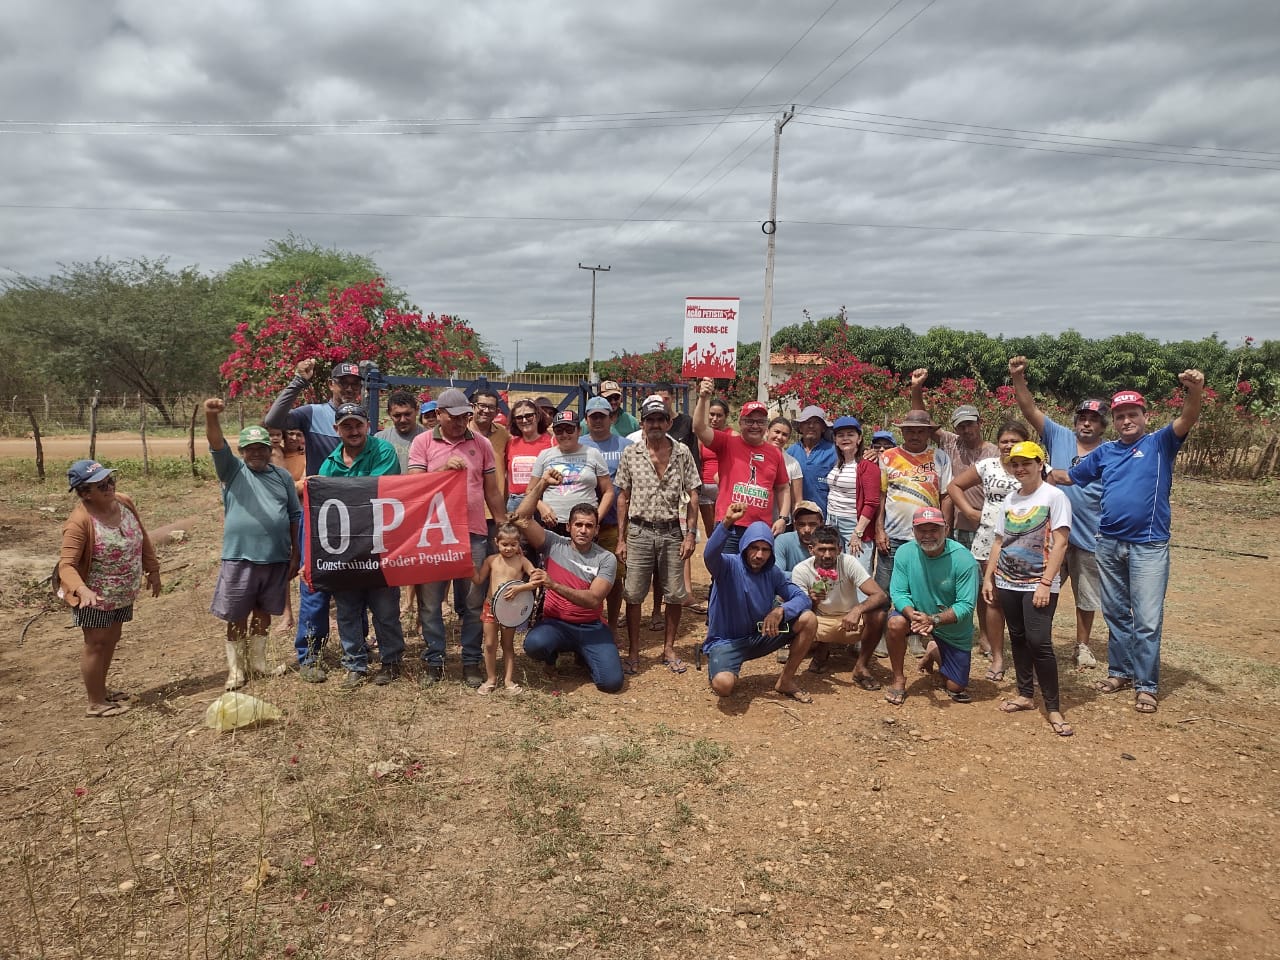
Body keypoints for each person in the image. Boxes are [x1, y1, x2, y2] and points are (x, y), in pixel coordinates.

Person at [1053, 372, 1206, 715]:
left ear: (1144, 416)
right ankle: (1120, 672)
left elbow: (1188, 416)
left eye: (1132, 414)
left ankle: (1147, 685)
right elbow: (1069, 477)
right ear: (1115, 421)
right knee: (1117, 614)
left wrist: (1194, 390)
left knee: (1147, 619)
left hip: (1148, 546)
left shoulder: (1159, 443)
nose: (1126, 420)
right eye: (1120, 416)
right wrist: (1031, 469)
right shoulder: (1105, 452)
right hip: (1108, 544)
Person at [263, 359, 364, 671]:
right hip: (318, 512)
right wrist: (298, 382)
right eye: (342, 382)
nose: (348, 388)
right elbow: (273, 419)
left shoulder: (362, 418)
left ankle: (357, 650)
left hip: (356, 516)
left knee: (357, 580)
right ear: (331, 385)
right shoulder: (312, 413)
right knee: (313, 582)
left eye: (354, 384)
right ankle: (309, 655)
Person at [1009, 355, 1108, 668]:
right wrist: (1019, 377)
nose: (1086, 422)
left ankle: (1082, 646)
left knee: (1087, 595)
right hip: (1050, 533)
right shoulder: (1059, 435)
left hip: (1091, 533)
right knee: (1044, 585)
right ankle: (1040, 639)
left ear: (1104, 425)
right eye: (1082, 417)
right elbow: (1029, 409)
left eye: (1094, 419)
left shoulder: (1110, 452)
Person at [408, 387, 507, 687]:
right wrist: (441, 469)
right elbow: (412, 485)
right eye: (453, 418)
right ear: (438, 415)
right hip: (435, 536)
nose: (460, 423)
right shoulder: (422, 442)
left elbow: (491, 489)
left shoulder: (482, 444)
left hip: (473, 533)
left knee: (474, 603)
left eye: (465, 417)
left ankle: (470, 661)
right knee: (430, 602)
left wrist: (501, 524)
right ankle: (434, 659)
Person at [205, 402, 301, 690]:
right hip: (240, 558)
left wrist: (295, 553)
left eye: (262, 447)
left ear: (270, 449)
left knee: (263, 612)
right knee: (237, 614)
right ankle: (236, 671)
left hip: (275, 558)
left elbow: (294, 515)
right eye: (251, 448)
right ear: (242, 452)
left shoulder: (282, 476)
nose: (257, 453)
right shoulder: (233, 471)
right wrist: (211, 416)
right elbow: (215, 442)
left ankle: (258, 664)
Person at [58, 460, 162, 717]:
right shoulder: (80, 522)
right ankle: (95, 703)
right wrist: (82, 590)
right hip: (95, 596)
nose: (109, 488)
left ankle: (101, 690)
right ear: (85, 493)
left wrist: (153, 568)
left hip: (123, 592)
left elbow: (142, 536)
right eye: (101, 485)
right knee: (96, 644)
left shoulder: (124, 502)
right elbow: (66, 566)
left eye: (110, 481)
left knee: (112, 639)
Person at [984, 442, 1073, 736]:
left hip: (1038, 582)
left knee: (1040, 641)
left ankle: (1053, 707)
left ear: (1040, 464)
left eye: (1026, 463)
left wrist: (1046, 582)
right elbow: (999, 541)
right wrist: (989, 578)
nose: (1020, 469)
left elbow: (1060, 542)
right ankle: (1024, 694)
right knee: (1018, 637)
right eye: (1015, 464)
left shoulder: (1054, 497)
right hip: (1007, 580)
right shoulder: (1010, 499)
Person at [317, 403, 404, 689]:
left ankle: (391, 661)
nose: (353, 431)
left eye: (358, 425)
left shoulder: (383, 451)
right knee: (347, 610)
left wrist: (336, 487)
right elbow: (323, 503)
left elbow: (376, 488)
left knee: (385, 609)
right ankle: (355, 663)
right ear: (336, 429)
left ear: (368, 425)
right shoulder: (329, 463)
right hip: (344, 550)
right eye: (346, 426)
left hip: (381, 545)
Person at [514, 470, 624, 693]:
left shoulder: (606, 558)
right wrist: (543, 483)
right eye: (578, 525)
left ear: (596, 530)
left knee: (611, 684)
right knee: (534, 645)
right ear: (568, 527)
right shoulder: (554, 543)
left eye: (589, 526)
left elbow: (594, 600)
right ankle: (554, 654)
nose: (583, 530)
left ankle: (583, 653)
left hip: (591, 626)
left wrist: (553, 585)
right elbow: (521, 519)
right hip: (556, 624)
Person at [614, 396, 701, 675]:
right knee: (634, 593)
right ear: (642, 423)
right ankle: (634, 652)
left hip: (672, 532)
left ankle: (669, 649)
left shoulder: (682, 452)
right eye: (649, 420)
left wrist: (690, 535)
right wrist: (621, 538)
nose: (654, 424)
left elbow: (693, 494)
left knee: (675, 593)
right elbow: (622, 497)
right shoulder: (631, 453)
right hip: (639, 531)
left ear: (669, 422)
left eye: (659, 419)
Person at [702, 502, 818, 703]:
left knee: (809, 619)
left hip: (763, 634)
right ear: (745, 547)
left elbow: (802, 598)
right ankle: (721, 664)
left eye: (765, 549)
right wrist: (727, 522)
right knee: (724, 686)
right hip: (727, 642)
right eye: (754, 548)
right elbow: (709, 555)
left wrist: (781, 611)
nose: (759, 555)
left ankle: (786, 681)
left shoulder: (772, 572)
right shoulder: (727, 566)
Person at [946, 420, 1030, 680]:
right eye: (1004, 440)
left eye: (1014, 441)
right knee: (991, 598)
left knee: (1021, 603)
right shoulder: (988, 466)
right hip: (987, 541)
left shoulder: (1033, 467)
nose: (1008, 445)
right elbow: (954, 487)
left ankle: (1025, 659)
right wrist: (970, 511)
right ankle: (997, 657)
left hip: (1025, 544)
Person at [874, 408, 953, 656]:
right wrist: (879, 529)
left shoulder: (939, 457)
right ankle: (880, 636)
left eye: (921, 431)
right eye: (910, 431)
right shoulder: (887, 456)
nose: (915, 435)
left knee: (923, 589)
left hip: (927, 536)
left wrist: (945, 529)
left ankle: (918, 636)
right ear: (903, 432)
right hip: (894, 534)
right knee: (885, 588)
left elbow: (946, 496)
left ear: (929, 432)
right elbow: (882, 495)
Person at [884, 507, 980, 706]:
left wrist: (934, 620)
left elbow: (966, 605)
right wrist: (913, 616)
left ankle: (933, 650)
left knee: (955, 687)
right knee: (895, 623)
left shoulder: (964, 559)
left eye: (934, 530)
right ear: (913, 531)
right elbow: (899, 593)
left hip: (951, 628)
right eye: (922, 530)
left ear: (945, 529)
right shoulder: (904, 552)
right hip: (917, 617)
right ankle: (898, 679)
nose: (928, 536)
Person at [693, 378, 788, 554]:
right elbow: (699, 428)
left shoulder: (775, 453)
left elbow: (783, 488)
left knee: (754, 578)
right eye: (749, 421)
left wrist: (782, 518)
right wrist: (704, 397)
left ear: (766, 426)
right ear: (741, 422)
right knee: (724, 573)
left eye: (760, 422)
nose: (754, 426)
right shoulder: (727, 442)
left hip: (759, 530)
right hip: (729, 524)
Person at [791, 525, 888, 684]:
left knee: (878, 614)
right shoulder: (801, 570)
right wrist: (812, 600)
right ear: (811, 549)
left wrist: (858, 609)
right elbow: (797, 609)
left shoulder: (848, 562)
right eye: (822, 549)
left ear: (840, 549)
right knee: (801, 618)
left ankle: (861, 666)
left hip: (849, 621)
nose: (827, 555)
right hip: (819, 622)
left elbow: (880, 595)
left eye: (831, 549)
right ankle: (821, 649)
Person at [580, 396, 633, 628]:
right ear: (586, 419)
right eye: (594, 417)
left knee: (614, 577)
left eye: (603, 416)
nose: (598, 421)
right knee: (582, 576)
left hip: (614, 522)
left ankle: (611, 626)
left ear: (611, 418)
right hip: (582, 524)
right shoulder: (578, 444)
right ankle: (587, 623)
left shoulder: (626, 446)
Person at [472, 523, 536, 695]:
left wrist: (520, 588)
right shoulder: (491, 560)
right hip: (490, 607)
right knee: (490, 644)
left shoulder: (522, 561)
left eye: (513, 545)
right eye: (504, 544)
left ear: (519, 544)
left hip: (510, 610)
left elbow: (536, 579)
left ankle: (508, 680)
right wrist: (469, 568)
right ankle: (491, 679)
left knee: (507, 644)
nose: (509, 548)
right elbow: (478, 580)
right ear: (496, 542)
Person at [530, 410, 614, 534]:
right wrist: (542, 507)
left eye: (569, 429)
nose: (564, 434)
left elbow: (608, 491)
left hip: (584, 526)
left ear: (579, 431)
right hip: (553, 523)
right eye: (559, 431)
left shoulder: (593, 454)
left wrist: (595, 520)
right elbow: (530, 490)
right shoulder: (544, 455)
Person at [824, 416, 880, 570]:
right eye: (841, 435)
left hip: (854, 525)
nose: (845, 438)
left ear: (859, 438)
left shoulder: (866, 465)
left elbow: (872, 502)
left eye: (850, 434)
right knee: (836, 572)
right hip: (832, 521)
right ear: (835, 439)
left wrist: (858, 532)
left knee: (857, 574)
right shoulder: (837, 463)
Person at [470, 387, 510, 542]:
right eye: (482, 406)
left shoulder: (503, 434)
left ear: (497, 411)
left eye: (491, 407)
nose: (486, 410)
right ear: (473, 407)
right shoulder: (462, 432)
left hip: (496, 509)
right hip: (471, 510)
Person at [505, 398, 554, 514]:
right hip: (515, 503)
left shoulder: (551, 442)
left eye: (529, 416)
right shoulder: (510, 443)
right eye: (519, 417)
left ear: (537, 416)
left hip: (542, 502)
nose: (524, 420)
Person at [787, 405, 837, 516]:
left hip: (824, 517)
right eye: (806, 422)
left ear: (823, 428)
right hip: (797, 517)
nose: (811, 426)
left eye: (816, 422)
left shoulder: (833, 451)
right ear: (800, 427)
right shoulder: (791, 452)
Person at [697, 398, 733, 538]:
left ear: (726, 416)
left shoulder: (732, 436)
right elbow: (698, 460)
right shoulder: (703, 436)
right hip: (705, 489)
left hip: (724, 488)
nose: (715, 418)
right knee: (710, 532)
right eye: (712, 414)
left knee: (723, 528)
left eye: (719, 415)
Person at [766, 417, 803, 534]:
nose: (779, 437)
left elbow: (797, 500)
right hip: (757, 521)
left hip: (781, 524)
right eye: (776, 432)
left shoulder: (793, 464)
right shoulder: (753, 456)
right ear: (767, 431)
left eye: (784, 434)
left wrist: (797, 526)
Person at [374, 389, 425, 472]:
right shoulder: (379, 439)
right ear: (389, 414)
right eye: (397, 415)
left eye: (407, 414)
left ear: (417, 410)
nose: (403, 420)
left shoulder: (428, 438)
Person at [773, 501, 823, 577]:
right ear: (795, 525)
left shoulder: (828, 544)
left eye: (812, 524)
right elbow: (776, 574)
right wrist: (808, 577)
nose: (807, 530)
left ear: (821, 524)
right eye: (801, 524)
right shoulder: (782, 541)